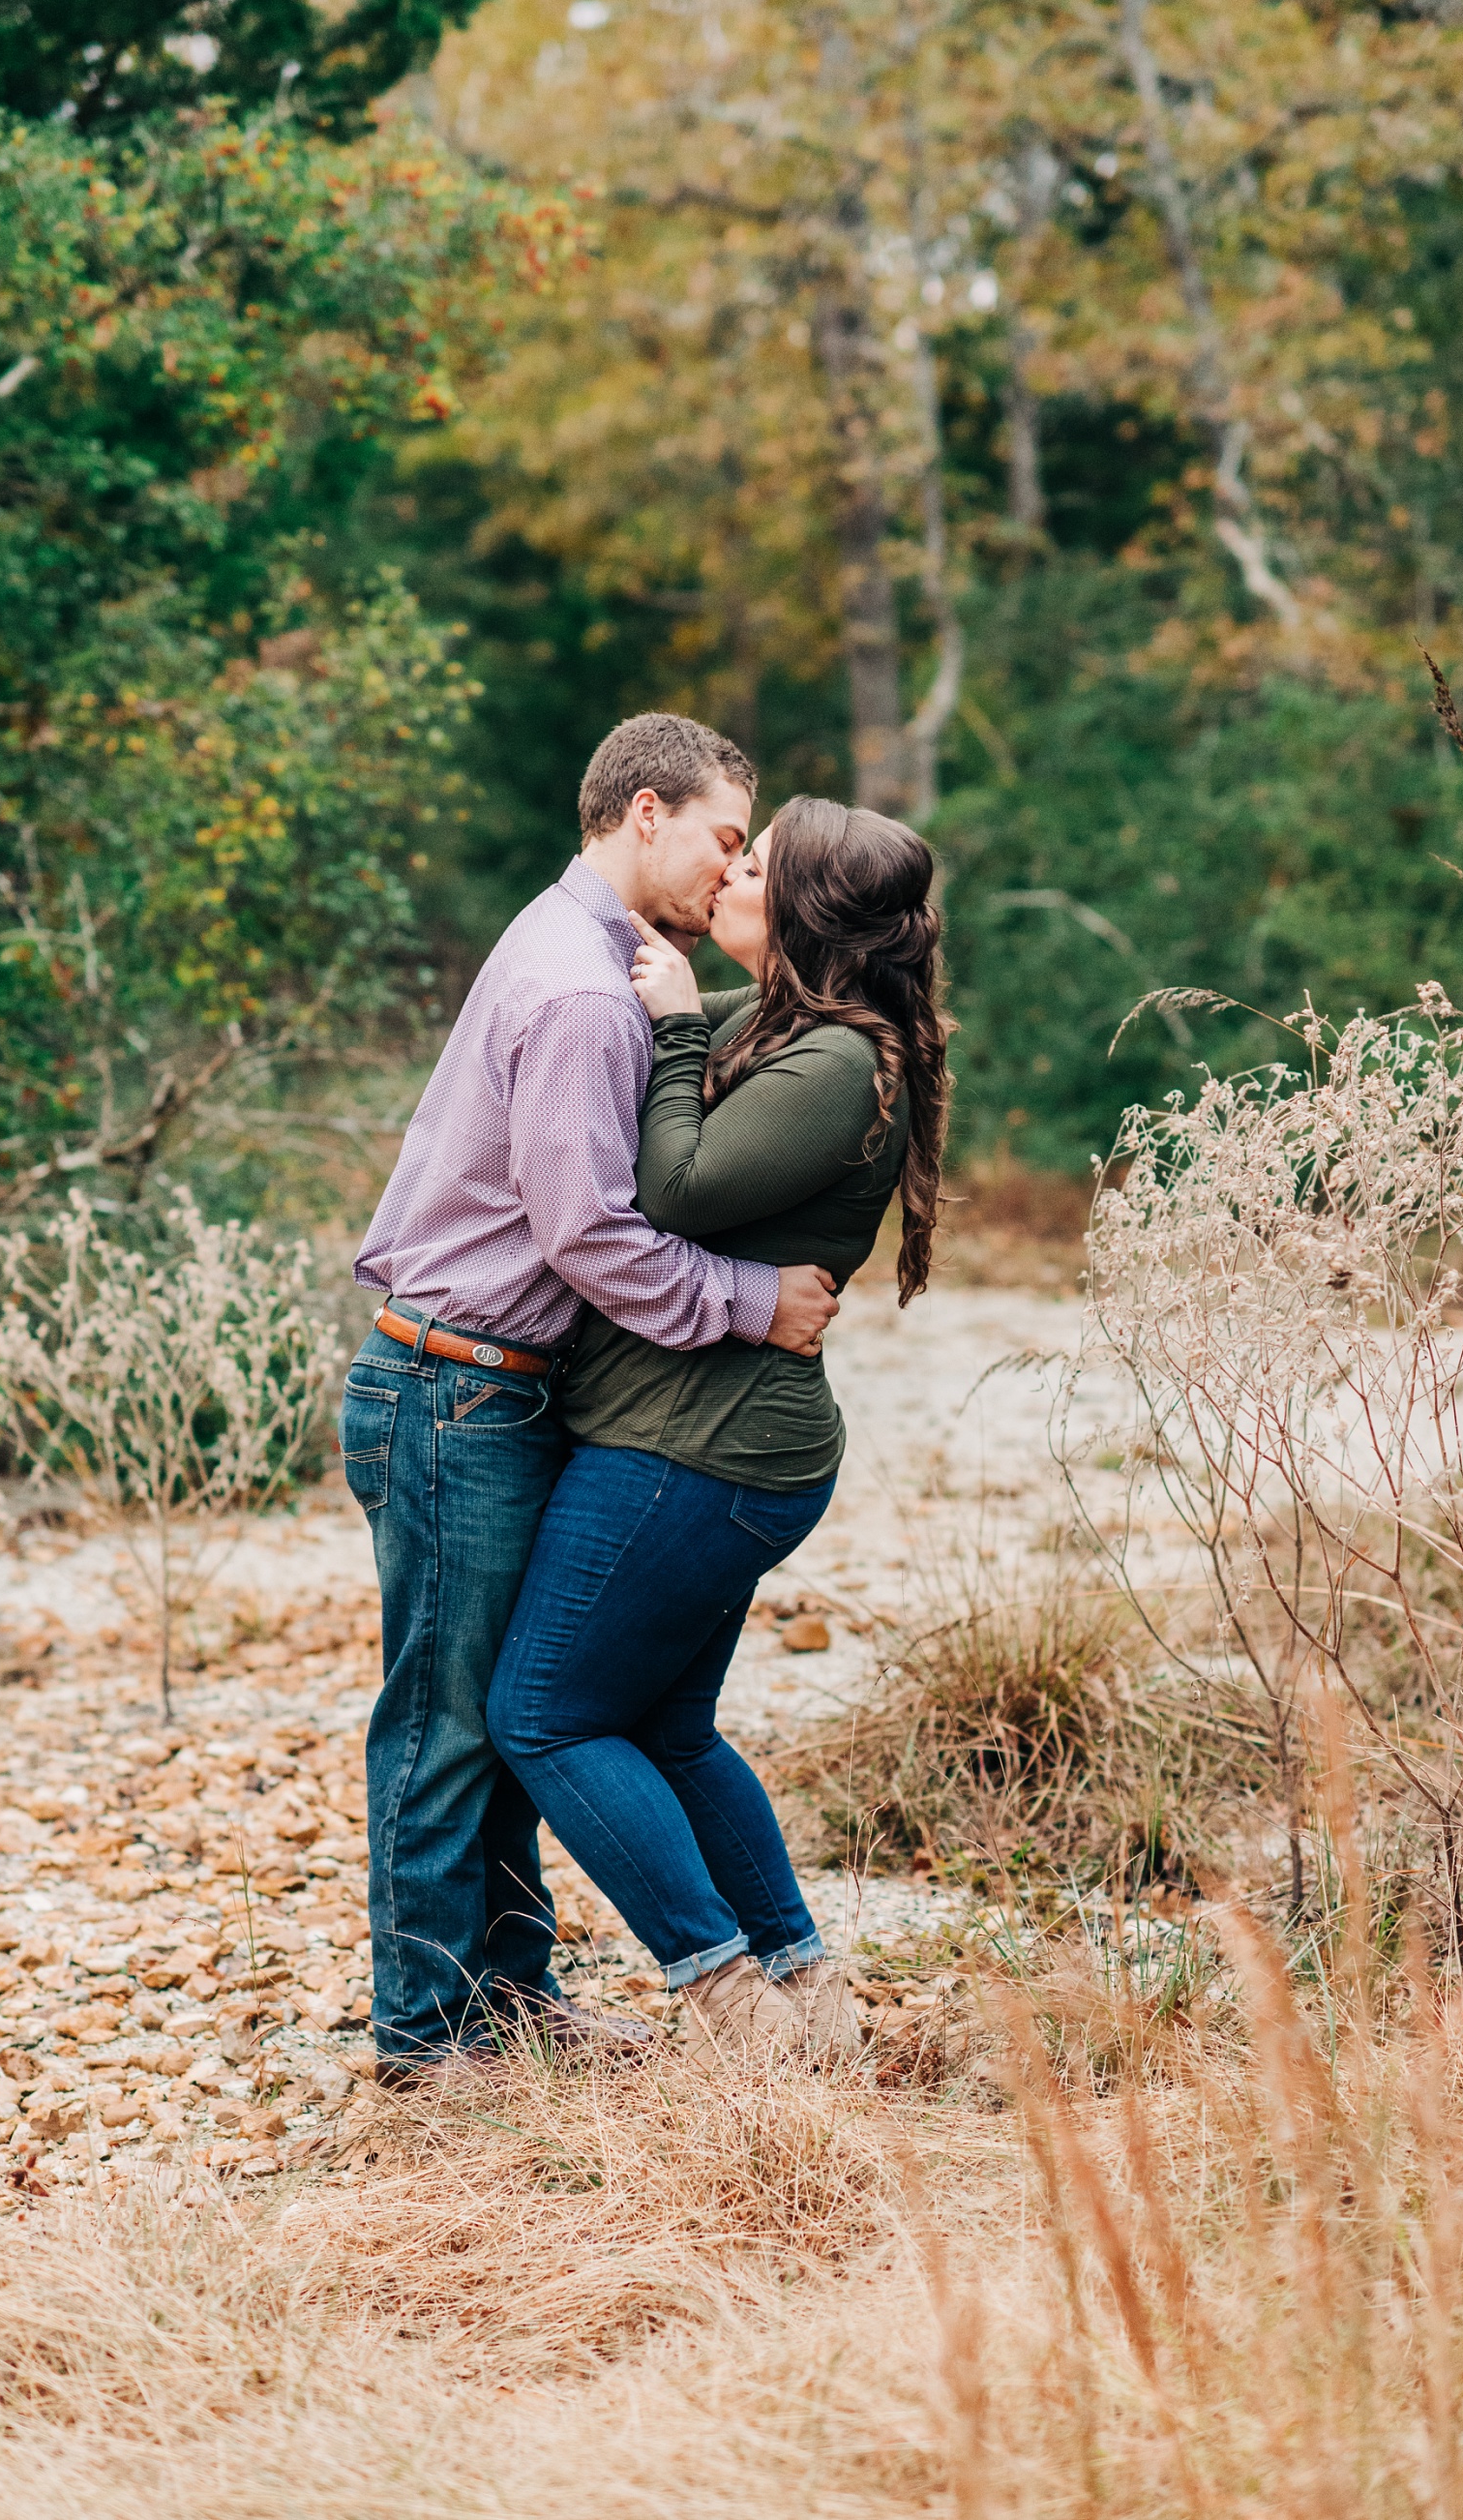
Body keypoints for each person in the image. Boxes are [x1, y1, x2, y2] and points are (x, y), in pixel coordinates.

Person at [343, 712, 845, 2087]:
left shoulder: (601, 953)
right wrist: (760, 1302)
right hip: (456, 1385)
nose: (733, 867)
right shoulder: (581, 989)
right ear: (644, 813)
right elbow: (590, 1236)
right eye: (725, 839)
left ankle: (511, 1997)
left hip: (481, 1384)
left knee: (512, 1712)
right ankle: (427, 2038)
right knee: (451, 1726)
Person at [485, 797, 952, 2065]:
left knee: (543, 1716)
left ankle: (737, 2015)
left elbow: (676, 1188)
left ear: (798, 913)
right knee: (668, 1730)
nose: (728, 875)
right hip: (703, 1441)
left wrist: (678, 1025)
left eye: (755, 864)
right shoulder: (791, 1032)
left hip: (701, 1454)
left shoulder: (837, 1063)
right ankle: (818, 2016)